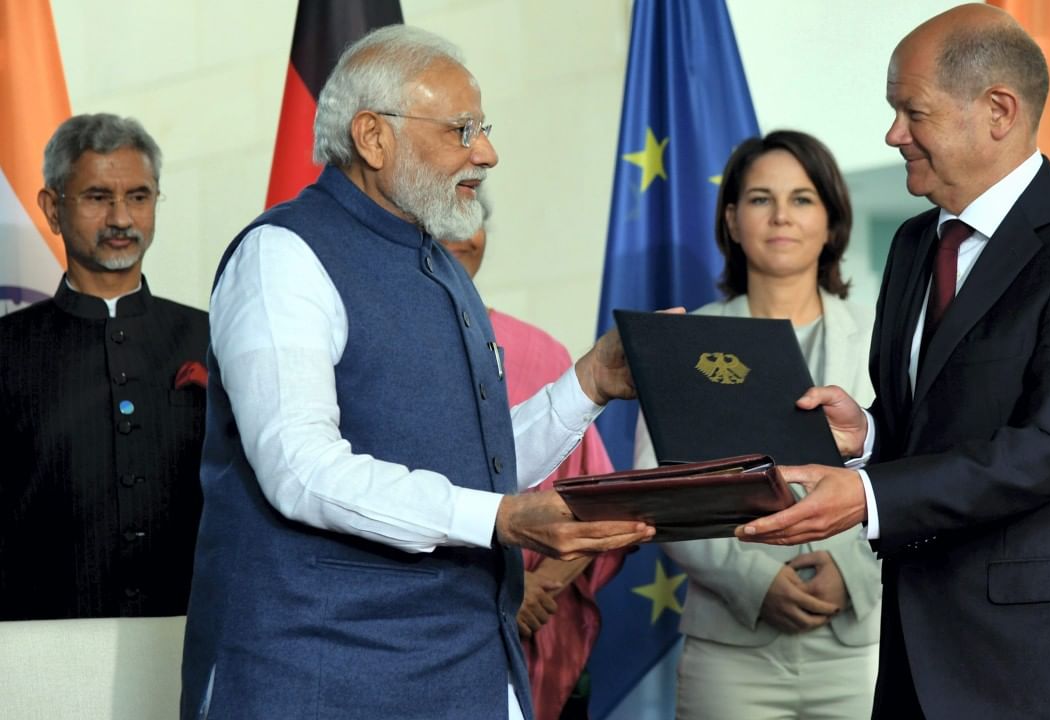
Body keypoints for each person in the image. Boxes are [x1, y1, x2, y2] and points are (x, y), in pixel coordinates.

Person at [180, 26, 652, 720]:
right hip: (318, 674)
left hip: (465, 666)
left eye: (482, 129)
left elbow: (474, 466)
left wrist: (589, 383)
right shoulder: (281, 256)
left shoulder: (439, 265)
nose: (486, 154)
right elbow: (301, 469)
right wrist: (502, 519)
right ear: (372, 138)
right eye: (462, 130)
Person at [737, 5, 1050, 718]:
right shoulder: (912, 247)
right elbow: (938, 423)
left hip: (1042, 661)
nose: (893, 134)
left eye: (913, 112)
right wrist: (870, 436)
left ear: (998, 111)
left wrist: (869, 498)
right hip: (916, 648)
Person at [632, 130, 880, 719]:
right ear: (732, 219)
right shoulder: (686, 342)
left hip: (864, 641)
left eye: (801, 199)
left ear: (831, 220)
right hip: (731, 648)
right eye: (761, 198)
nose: (781, 216)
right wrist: (753, 580)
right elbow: (658, 486)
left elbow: (925, 472)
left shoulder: (884, 337)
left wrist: (850, 572)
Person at [0, 113, 208, 621]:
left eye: (138, 197)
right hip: (41, 643)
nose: (121, 218)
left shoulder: (212, 337)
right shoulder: (6, 349)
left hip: (191, 634)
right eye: (97, 197)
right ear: (52, 208)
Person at [444, 190, 625, 720]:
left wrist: (535, 587)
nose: (460, 236)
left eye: (472, 220)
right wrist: (498, 596)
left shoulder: (540, 351)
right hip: (431, 630)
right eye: (441, 222)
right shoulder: (379, 347)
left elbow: (598, 498)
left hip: (538, 627)